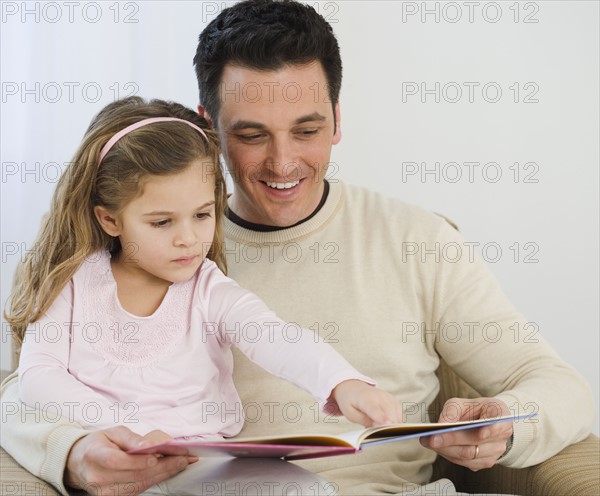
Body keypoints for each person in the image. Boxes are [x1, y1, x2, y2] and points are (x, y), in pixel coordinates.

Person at [0, 1, 595, 495]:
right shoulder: (121, 254)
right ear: (207, 130)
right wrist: (72, 450)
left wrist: (505, 427)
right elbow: (21, 391)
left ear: (337, 119)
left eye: (307, 131)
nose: (282, 163)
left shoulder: (419, 241)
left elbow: (553, 382)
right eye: (251, 135)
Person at [5, 95, 405, 492]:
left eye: (202, 215)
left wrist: (341, 383)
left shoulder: (208, 289)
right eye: (162, 222)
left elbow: (277, 337)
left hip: (209, 465)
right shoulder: (72, 285)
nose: (188, 239)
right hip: (126, 464)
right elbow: (39, 377)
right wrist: (126, 428)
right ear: (110, 219)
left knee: (310, 490)